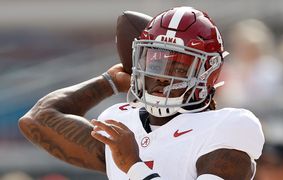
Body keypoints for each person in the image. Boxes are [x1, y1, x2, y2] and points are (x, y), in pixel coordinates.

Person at [19, 7, 264, 180]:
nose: (161, 76)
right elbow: (37, 120)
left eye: (178, 67)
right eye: (155, 63)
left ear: (208, 72)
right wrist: (109, 82)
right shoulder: (122, 120)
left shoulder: (230, 125)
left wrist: (134, 166)